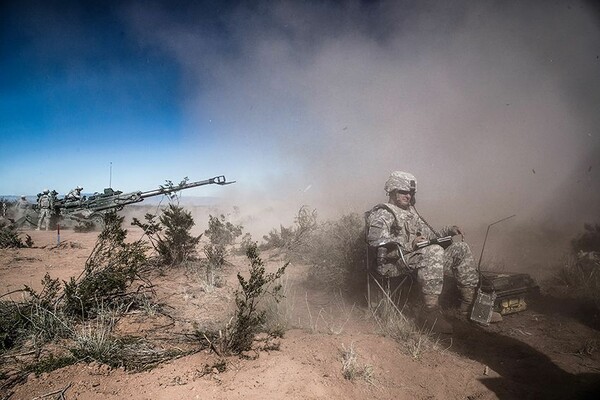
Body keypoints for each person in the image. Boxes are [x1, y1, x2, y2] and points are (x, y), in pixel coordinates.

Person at [366, 171, 501, 334]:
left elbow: (430, 237)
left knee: (461, 248)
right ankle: (430, 313)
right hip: (392, 263)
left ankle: (469, 307)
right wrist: (410, 243)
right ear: (393, 191)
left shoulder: (411, 214)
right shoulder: (383, 212)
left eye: (411, 193)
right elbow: (374, 241)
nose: (408, 196)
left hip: (416, 258)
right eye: (404, 192)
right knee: (434, 251)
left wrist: (449, 231)